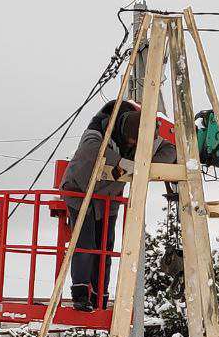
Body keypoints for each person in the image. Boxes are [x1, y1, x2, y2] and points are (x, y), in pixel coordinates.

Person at [61, 101, 176, 311]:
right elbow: (95, 151)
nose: (133, 145)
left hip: (109, 198)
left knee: (105, 249)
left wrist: (149, 168)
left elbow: (169, 149)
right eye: (132, 141)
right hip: (80, 192)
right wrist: (130, 166)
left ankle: (99, 298)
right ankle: (80, 295)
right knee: (85, 244)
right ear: (124, 132)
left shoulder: (146, 136)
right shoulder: (98, 131)